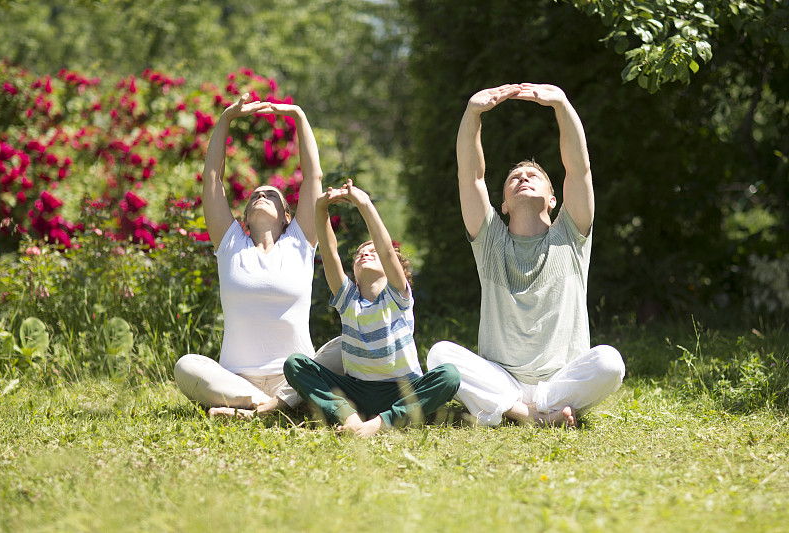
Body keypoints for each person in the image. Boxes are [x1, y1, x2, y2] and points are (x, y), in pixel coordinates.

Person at [426, 83, 625, 427]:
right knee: (439, 354)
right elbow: (470, 176)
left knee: (610, 362)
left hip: (560, 378)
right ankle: (531, 415)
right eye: (514, 177)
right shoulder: (489, 242)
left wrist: (561, 105)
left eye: (534, 176)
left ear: (553, 198)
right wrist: (473, 113)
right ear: (502, 205)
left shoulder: (571, 235)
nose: (523, 178)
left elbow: (579, 170)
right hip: (502, 379)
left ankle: (517, 411)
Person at [174, 92, 342, 418]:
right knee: (186, 365)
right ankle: (269, 406)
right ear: (246, 217)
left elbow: (313, 178)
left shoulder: (300, 241)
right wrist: (225, 119)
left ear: (286, 216)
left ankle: (260, 408)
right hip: (237, 378)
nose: (262, 195)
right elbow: (212, 179)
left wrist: (297, 115)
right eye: (255, 195)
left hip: (295, 375)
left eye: (271, 195)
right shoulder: (231, 244)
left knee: (347, 346)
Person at [283, 179, 461, 437]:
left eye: (372, 251)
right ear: (354, 274)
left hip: (403, 390)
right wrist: (320, 209)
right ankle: (350, 416)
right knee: (296, 365)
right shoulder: (348, 300)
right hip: (358, 392)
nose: (365, 253)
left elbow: (387, 249)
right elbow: (330, 251)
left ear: (392, 270)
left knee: (449, 376)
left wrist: (364, 203)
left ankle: (380, 423)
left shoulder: (398, 296)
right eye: (358, 254)